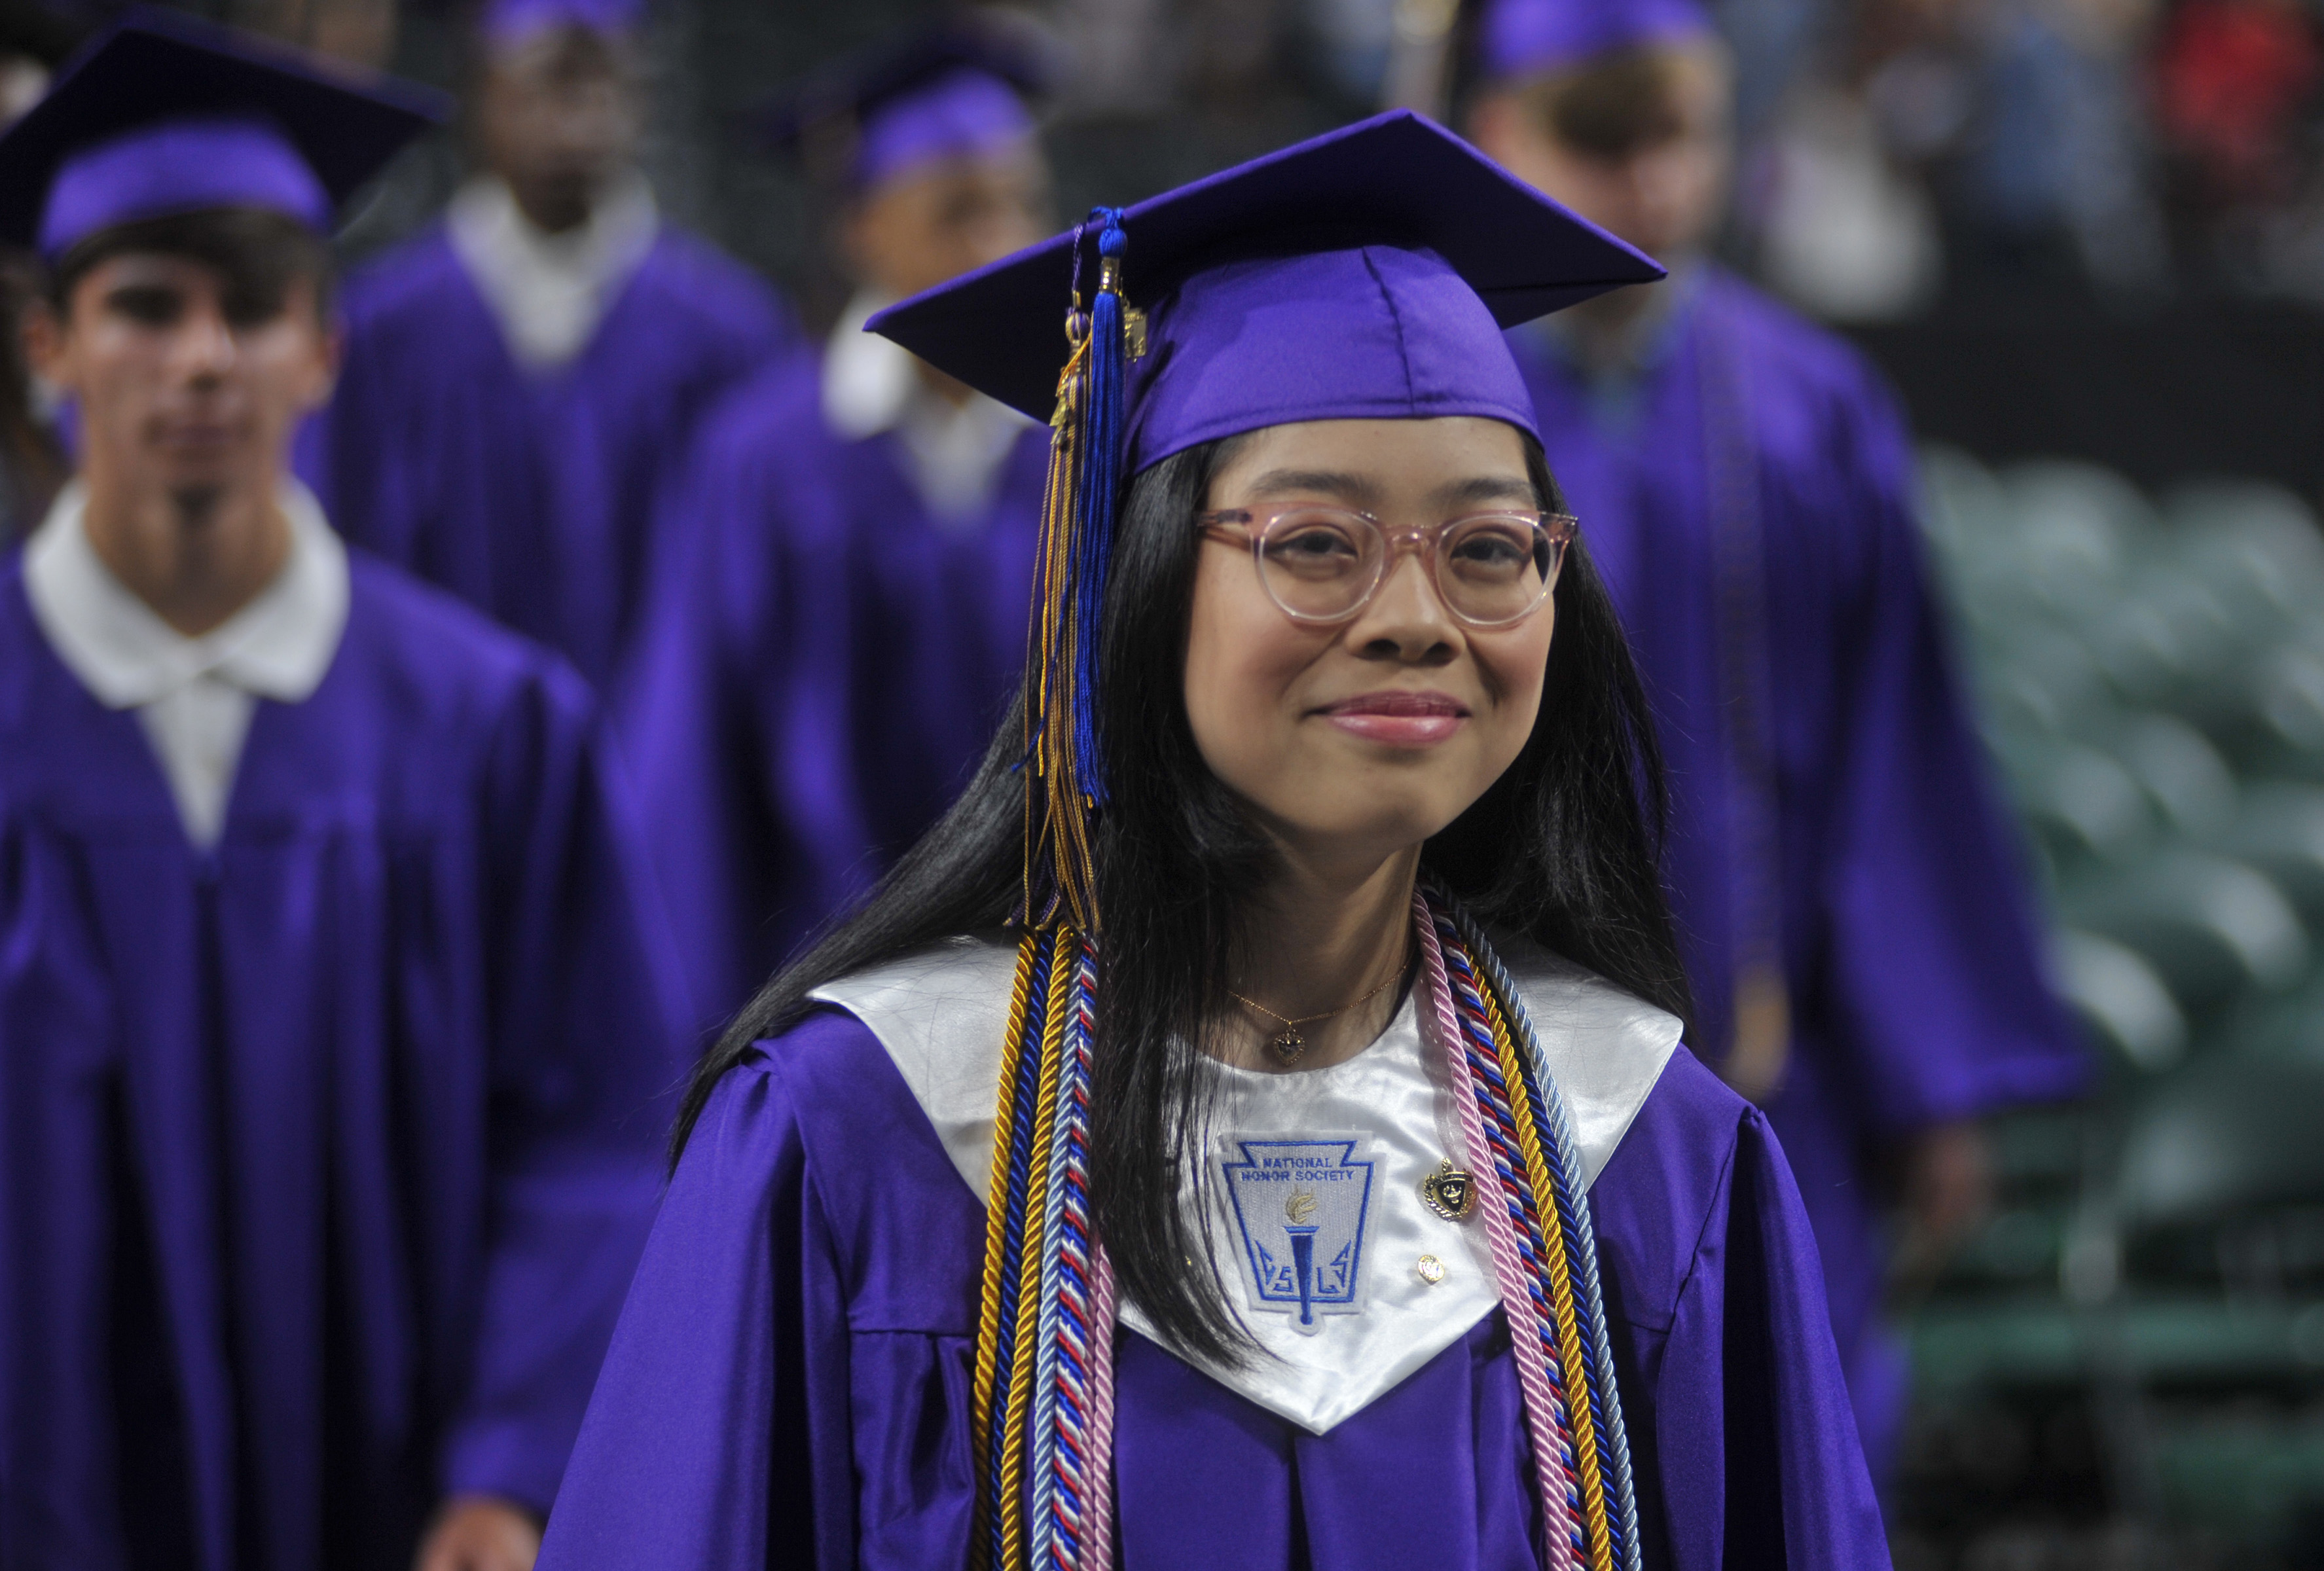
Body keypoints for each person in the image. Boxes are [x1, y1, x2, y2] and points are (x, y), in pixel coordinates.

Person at [539, 111, 1889, 1570]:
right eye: (1315, 542)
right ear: (1140, 580)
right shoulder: (858, 1145)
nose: (1415, 617)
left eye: (1489, 548)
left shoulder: (1649, 1157)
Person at [0, 16, 686, 1569]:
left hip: (404, 1515)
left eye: (251, 310)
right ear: (48, 344)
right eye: (143, 308)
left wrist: (515, 1464)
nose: (199, 357)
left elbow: (591, 1132)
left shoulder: (493, 728)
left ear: (323, 345)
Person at [1463, 0, 2088, 1481]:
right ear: (1491, 133)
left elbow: (1899, 759)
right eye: (1595, 138)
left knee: (1774, 1460)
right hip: (1476, 1084)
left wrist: (1925, 1075)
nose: (1648, 184)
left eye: (1677, 133)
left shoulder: (1811, 408)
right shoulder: (1426, 408)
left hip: (1770, 1067)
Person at [619, 26, 1055, 1037]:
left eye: (1020, 203)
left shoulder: (1079, 447)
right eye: (958, 210)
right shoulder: (762, 461)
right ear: (861, 229)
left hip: (1055, 1002)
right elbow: (691, 770)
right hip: (821, 997)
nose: (1003, 243)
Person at [302, 0, 797, 691]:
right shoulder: (381, 334)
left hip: (673, 787)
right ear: (479, 95)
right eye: (542, 78)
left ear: (641, 96)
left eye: (597, 78)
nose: (572, 110)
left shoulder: (732, 337)